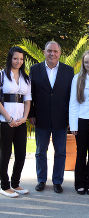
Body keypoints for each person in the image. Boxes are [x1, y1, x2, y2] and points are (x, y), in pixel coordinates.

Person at [29, 41, 74, 193]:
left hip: (61, 119)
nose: (52, 54)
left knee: (60, 152)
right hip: (40, 118)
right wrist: (31, 114)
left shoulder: (69, 71)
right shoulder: (35, 70)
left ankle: (57, 181)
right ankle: (41, 180)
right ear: (44, 52)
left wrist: (70, 118)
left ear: (60, 53)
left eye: (55, 51)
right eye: (49, 51)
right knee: (40, 151)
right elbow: (30, 94)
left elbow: (71, 97)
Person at [0, 46, 31, 198]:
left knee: (21, 154)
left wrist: (25, 117)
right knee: (5, 153)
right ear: (10, 59)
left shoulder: (26, 78)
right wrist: (8, 118)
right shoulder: (1, 75)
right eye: (15, 58)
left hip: (21, 122)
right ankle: (4, 186)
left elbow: (27, 100)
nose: (18, 61)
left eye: (21, 59)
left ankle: (15, 183)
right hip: (6, 121)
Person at [69, 51, 89, 195]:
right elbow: (73, 104)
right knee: (81, 154)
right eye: (86, 62)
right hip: (81, 121)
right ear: (83, 63)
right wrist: (73, 126)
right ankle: (80, 183)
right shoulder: (77, 78)